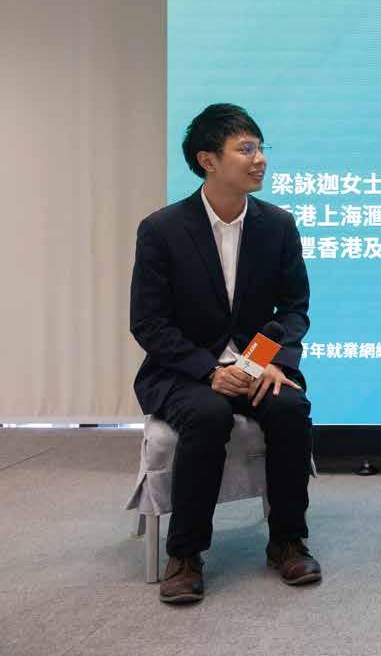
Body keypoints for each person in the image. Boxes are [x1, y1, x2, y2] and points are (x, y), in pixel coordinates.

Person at [129, 104, 319, 605]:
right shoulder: (162, 229)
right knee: (208, 414)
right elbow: (148, 323)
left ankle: (287, 541)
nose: (259, 159)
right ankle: (185, 554)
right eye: (245, 149)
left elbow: (295, 308)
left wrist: (274, 361)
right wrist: (210, 370)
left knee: (290, 408)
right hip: (184, 371)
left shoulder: (277, 225)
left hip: (259, 365)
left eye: (260, 148)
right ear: (208, 160)